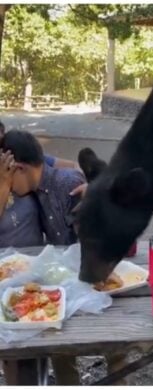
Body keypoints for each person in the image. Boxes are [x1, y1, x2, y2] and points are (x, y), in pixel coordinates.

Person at [0, 130, 127, 385]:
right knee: (59, 347)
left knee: (114, 344)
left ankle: (119, 379)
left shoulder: (64, 185)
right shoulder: (31, 185)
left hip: (96, 275)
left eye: (10, 177)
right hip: (60, 280)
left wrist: (98, 190)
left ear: (20, 168)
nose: (10, 186)